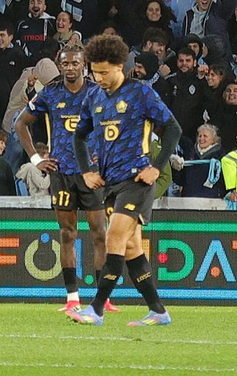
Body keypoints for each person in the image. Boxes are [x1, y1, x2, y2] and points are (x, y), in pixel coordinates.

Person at [68, 32, 181, 328]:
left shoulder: (140, 93)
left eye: (104, 72)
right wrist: (86, 171)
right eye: (95, 72)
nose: (99, 78)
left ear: (120, 66)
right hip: (110, 183)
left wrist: (156, 167)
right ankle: (158, 311)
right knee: (131, 249)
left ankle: (96, 309)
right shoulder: (93, 96)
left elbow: (173, 129)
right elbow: (79, 136)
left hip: (137, 180)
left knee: (114, 238)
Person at [17, 45, 111, 312]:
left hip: (91, 174)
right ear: (60, 66)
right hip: (61, 173)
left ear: (84, 65)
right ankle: (72, 298)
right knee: (67, 234)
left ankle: (102, 299)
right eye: (65, 64)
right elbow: (20, 123)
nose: (70, 68)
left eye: (75, 63)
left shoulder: (98, 92)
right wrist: (36, 159)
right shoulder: (50, 93)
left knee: (100, 233)